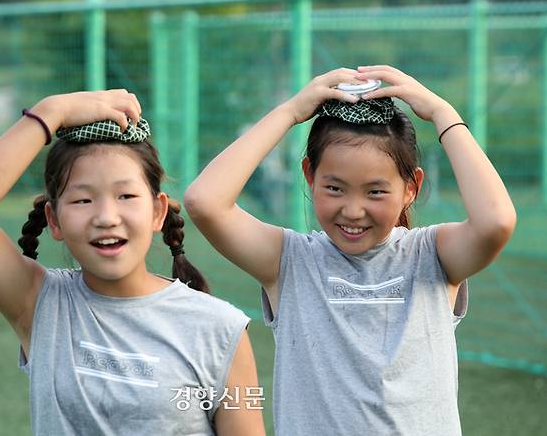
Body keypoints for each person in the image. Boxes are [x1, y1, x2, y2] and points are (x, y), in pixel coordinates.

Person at [184, 65, 516, 435]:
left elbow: (496, 222)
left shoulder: (433, 256)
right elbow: (204, 201)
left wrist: (444, 115)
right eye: (335, 188)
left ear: (411, 188)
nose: (353, 210)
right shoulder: (290, 262)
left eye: (375, 191)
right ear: (309, 176)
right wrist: (289, 112)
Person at [0, 89, 265, 436]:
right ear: (54, 220)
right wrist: (52, 111)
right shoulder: (40, 304)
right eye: (82, 200)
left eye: (126, 196)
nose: (106, 217)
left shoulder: (222, 329)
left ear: (158, 211)